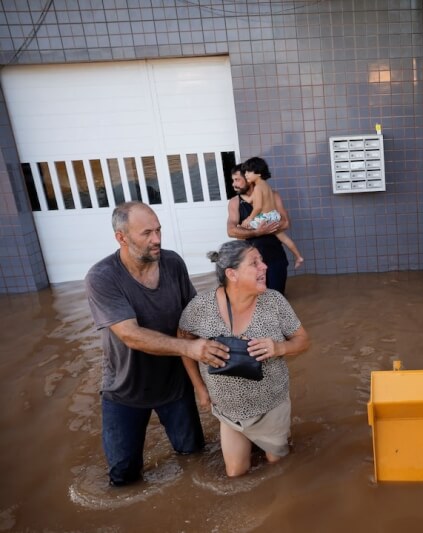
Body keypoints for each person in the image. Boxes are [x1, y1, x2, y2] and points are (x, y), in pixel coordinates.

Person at [85, 201, 231, 486]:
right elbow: (130, 335)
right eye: (147, 233)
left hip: (174, 385)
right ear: (121, 237)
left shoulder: (173, 262)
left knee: (194, 458)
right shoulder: (102, 277)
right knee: (123, 477)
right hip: (125, 390)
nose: (157, 239)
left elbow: (193, 316)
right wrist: (189, 348)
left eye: (159, 230)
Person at [178, 240, 311, 477]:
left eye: (262, 261)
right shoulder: (201, 307)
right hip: (228, 412)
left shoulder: (274, 301)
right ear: (232, 274)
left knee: (279, 469)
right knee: (235, 474)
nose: (265, 267)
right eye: (255, 263)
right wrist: (200, 388)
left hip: (271, 406)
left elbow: (303, 341)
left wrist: (279, 348)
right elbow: (184, 343)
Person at [226, 162, 291, 294]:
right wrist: (257, 232)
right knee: (256, 300)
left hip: (275, 257)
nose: (234, 184)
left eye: (237, 180)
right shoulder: (235, 202)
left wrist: (268, 226)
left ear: (248, 179)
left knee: (277, 298)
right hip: (250, 261)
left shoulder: (273, 196)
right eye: (233, 180)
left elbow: (286, 223)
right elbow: (231, 231)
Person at [240, 157, 304, 269]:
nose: (246, 174)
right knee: (283, 237)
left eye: (248, 172)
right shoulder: (266, 186)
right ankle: (298, 257)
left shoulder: (258, 188)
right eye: (245, 172)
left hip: (265, 217)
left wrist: (249, 219)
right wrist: (241, 195)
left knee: (241, 229)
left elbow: (258, 207)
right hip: (274, 216)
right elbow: (250, 200)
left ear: (258, 173)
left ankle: (240, 261)